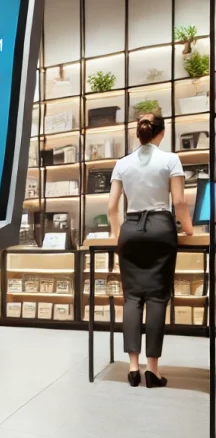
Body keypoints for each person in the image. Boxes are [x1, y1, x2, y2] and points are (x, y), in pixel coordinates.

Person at [107, 113, 193, 389]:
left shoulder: (122, 163)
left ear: (138, 134)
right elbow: (179, 202)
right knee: (157, 298)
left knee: (132, 297)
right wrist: (189, 230)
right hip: (159, 226)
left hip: (131, 228)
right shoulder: (170, 160)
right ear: (161, 133)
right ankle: (152, 370)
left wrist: (118, 236)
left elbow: (111, 207)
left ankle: (132, 368)